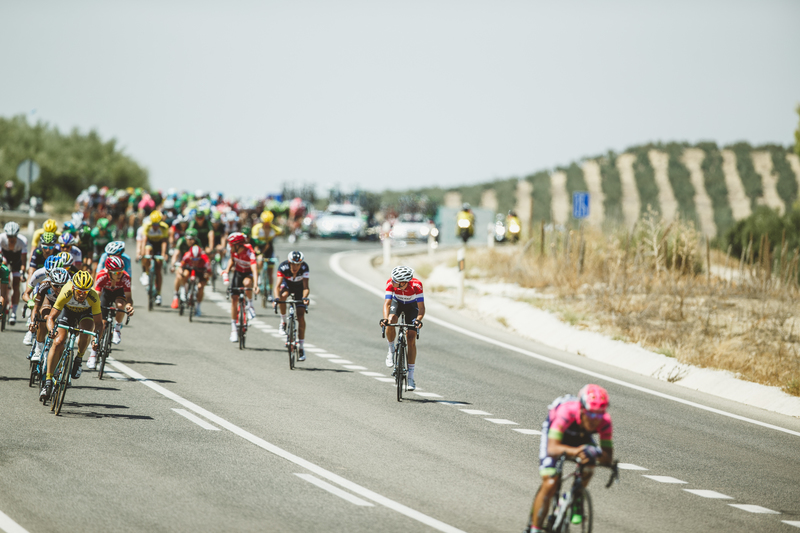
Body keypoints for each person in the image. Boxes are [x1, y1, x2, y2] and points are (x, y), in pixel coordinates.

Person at [526, 385, 613, 533]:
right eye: (591, 414)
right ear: (581, 409)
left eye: (599, 415)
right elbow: (552, 449)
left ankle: (578, 494)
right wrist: (576, 451)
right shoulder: (566, 412)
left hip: (581, 436)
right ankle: (535, 529)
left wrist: (596, 456)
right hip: (556, 435)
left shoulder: (605, 421)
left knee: (590, 462)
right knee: (550, 482)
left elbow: (607, 456)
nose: (594, 420)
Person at [40, 271, 103, 402]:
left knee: (85, 331)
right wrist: (52, 331)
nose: (82, 295)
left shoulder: (93, 296)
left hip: (85, 313)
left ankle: (79, 358)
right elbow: (51, 317)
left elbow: (98, 324)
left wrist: (97, 339)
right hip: (67, 312)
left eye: (85, 292)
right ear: (73, 288)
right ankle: (48, 381)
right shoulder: (66, 292)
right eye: (79, 291)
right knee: (58, 342)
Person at [380, 265, 424, 391]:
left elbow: (421, 308)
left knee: (411, 337)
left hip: (412, 307)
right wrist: (385, 318)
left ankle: (410, 376)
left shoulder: (417, 285)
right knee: (391, 320)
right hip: (397, 303)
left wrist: (418, 321)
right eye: (393, 280)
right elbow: (387, 303)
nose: (392, 282)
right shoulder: (390, 282)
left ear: (404, 282)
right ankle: (391, 349)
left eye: (396, 282)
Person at [89, 256, 134, 368]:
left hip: (118, 293)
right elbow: (96, 296)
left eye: (121, 271)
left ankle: (117, 328)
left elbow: (129, 298)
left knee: (120, 305)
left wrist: (129, 306)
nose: (119, 274)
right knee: (102, 325)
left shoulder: (125, 277)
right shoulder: (101, 275)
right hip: (105, 294)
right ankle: (93, 354)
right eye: (116, 272)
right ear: (109, 271)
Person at [28, 266, 70, 363]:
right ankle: (38, 349)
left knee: (64, 325)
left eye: (62, 286)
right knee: (44, 318)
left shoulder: (70, 288)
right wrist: (32, 322)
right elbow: (36, 307)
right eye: (56, 286)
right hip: (49, 302)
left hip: (63, 305)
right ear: (50, 282)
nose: (59, 289)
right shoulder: (45, 285)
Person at [222, 232, 258, 343]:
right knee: (234, 300)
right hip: (238, 272)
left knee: (247, 283)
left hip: (248, 273)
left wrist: (255, 284)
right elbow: (232, 260)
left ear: (238, 244)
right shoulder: (234, 250)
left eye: (232, 244)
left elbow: (254, 269)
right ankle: (233, 328)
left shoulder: (249, 252)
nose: (230, 247)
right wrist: (227, 270)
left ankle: (250, 306)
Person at [273, 251, 310, 360]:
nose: (295, 267)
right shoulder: (283, 267)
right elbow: (277, 286)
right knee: (283, 296)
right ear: (289, 263)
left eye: (298, 265)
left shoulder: (304, 268)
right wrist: (276, 299)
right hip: (286, 285)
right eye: (293, 264)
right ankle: (283, 321)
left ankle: (302, 348)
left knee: (300, 316)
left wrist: (304, 298)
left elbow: (306, 287)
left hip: (299, 289)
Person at [139, 210, 170, 305]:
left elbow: (164, 242)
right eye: (154, 224)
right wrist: (142, 253)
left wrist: (164, 254)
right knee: (147, 251)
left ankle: (159, 294)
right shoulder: (147, 226)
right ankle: (146, 273)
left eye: (157, 224)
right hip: (150, 243)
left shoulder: (164, 227)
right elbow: (144, 240)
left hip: (159, 245)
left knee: (158, 268)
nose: (155, 226)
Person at [1, 222, 28, 326]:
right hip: (4, 258)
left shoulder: (22, 241)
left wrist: (22, 272)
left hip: (17, 260)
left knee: (16, 284)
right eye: (9, 236)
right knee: (3, 266)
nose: (11, 238)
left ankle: (13, 313)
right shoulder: (1, 238)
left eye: (14, 236)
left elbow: (23, 260)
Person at [251, 210, 283, 297]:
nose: (267, 224)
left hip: (269, 249)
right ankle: (259, 278)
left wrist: (275, 234)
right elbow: (254, 242)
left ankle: (269, 292)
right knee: (260, 261)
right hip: (259, 247)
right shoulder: (256, 228)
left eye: (269, 223)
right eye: (265, 222)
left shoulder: (272, 228)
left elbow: (281, 231)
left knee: (270, 271)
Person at [179, 245, 210, 316]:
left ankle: (198, 307)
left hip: (201, 272)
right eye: (192, 259)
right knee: (184, 274)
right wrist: (181, 273)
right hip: (190, 270)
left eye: (197, 260)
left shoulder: (205, 259)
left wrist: (206, 275)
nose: (194, 261)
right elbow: (180, 266)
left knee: (200, 287)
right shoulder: (187, 255)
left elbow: (210, 273)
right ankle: (183, 291)